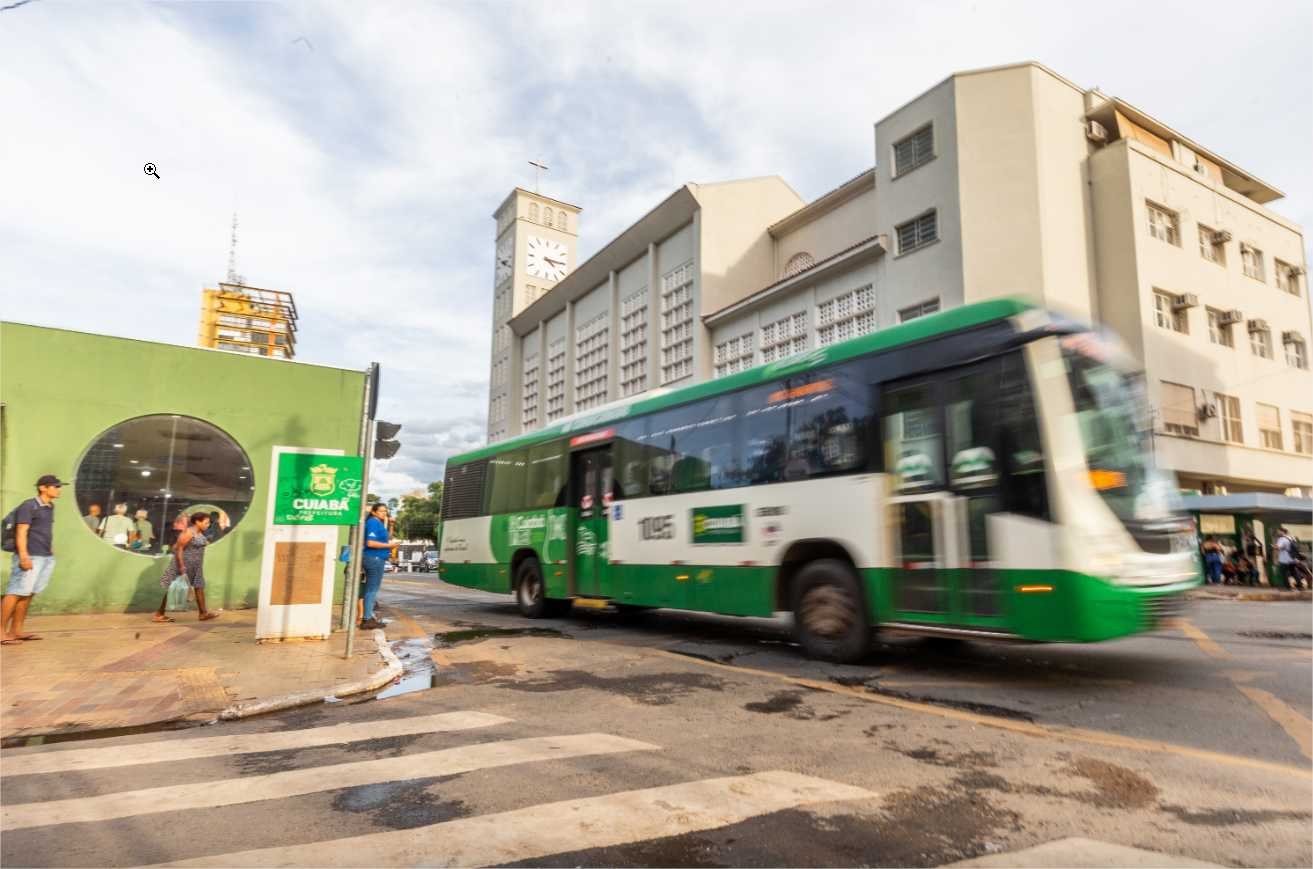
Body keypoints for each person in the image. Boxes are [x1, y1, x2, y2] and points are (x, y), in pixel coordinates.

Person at [2, 475, 64, 645]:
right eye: (55, 486)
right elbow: (21, 531)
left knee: (28, 594)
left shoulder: (50, 506)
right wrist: (23, 556)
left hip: (44, 557)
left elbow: (42, 530)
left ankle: (16, 631)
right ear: (43, 488)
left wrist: (49, 549)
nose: (59, 489)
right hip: (30, 556)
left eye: (59, 486)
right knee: (15, 592)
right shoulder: (29, 506)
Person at [154, 512, 220, 622]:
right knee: (173, 589)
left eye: (208, 523)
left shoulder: (200, 533)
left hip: (195, 566)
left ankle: (203, 613)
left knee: (199, 586)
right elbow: (178, 548)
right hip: (184, 565)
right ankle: (159, 614)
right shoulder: (189, 532)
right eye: (206, 522)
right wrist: (181, 566)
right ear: (197, 522)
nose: (208, 524)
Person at [360, 502, 393, 630]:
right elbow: (371, 543)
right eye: (381, 511)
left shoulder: (378, 523)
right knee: (372, 589)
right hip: (374, 558)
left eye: (385, 511)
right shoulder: (373, 522)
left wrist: (391, 525)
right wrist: (390, 546)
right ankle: (367, 619)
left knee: (372, 589)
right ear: (374, 512)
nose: (384, 513)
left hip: (377, 558)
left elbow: (386, 538)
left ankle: (368, 616)